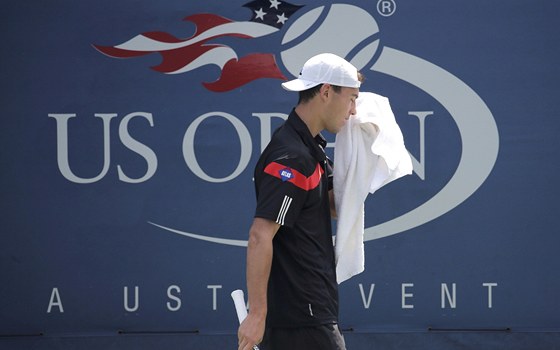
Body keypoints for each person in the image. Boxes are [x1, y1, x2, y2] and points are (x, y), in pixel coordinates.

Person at [237, 53, 363, 350]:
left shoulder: (311, 149)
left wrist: (364, 158)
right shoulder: (292, 157)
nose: (354, 111)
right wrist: (257, 314)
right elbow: (260, 235)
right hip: (301, 319)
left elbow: (334, 206)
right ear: (326, 92)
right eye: (352, 99)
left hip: (307, 314)